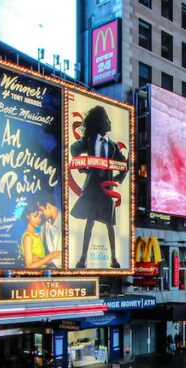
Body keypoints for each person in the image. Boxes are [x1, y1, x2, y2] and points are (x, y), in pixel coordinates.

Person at [69, 105, 128, 269]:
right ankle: (83, 259)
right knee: (90, 221)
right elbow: (74, 148)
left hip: (107, 188)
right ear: (100, 122)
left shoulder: (113, 146)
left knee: (110, 224)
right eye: (107, 120)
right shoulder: (89, 139)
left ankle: (114, 259)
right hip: (93, 187)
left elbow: (125, 164)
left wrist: (118, 179)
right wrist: (81, 165)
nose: (110, 122)